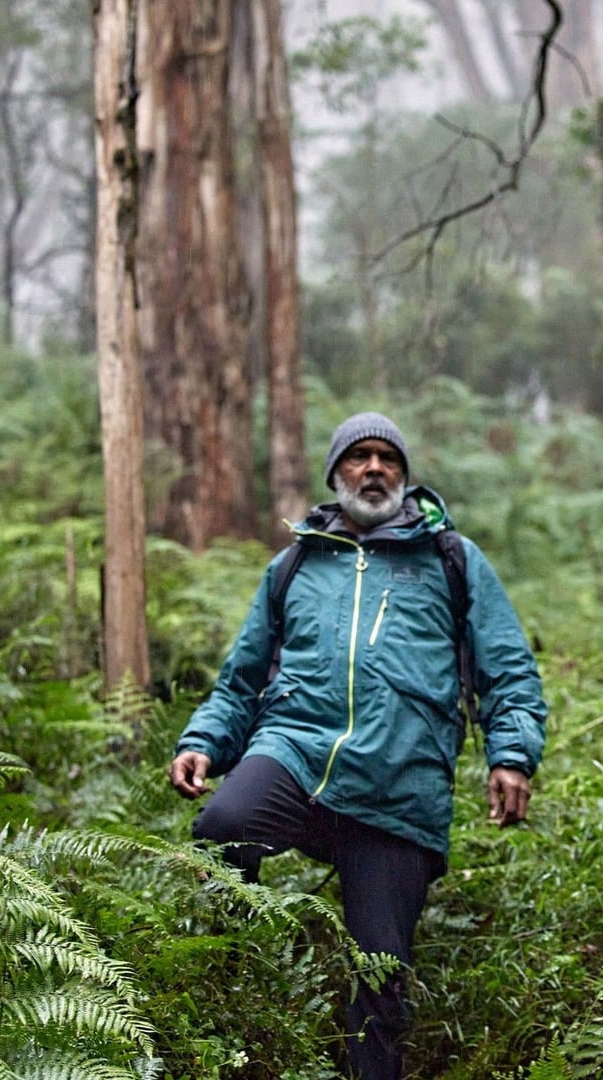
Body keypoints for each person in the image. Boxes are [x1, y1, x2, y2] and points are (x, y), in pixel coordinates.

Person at [168, 412, 548, 1080]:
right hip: (296, 752)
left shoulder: (451, 558)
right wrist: (203, 741)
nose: (375, 469)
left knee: (380, 979)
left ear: (403, 476)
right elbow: (242, 677)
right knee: (224, 824)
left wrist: (511, 755)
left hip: (398, 784)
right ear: (335, 473)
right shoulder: (296, 564)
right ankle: (235, 998)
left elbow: (508, 668)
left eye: (388, 459)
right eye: (359, 457)